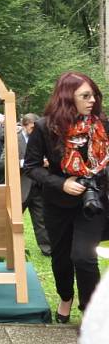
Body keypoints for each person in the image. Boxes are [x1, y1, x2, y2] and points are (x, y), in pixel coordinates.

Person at [24, 71, 107, 322]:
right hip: (58, 203)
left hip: (93, 202)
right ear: (67, 97)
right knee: (61, 259)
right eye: (85, 95)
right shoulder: (44, 127)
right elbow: (32, 167)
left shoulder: (103, 123)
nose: (92, 100)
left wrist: (96, 175)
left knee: (83, 257)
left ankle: (91, 315)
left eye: (94, 95)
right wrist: (62, 183)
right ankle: (65, 296)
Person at [18, 113, 51, 256]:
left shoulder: (41, 138)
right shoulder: (14, 140)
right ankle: (8, 246)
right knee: (13, 219)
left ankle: (47, 249)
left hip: (38, 185)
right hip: (21, 186)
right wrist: (27, 163)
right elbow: (3, 161)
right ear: (24, 126)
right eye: (32, 127)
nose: (35, 130)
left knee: (41, 219)